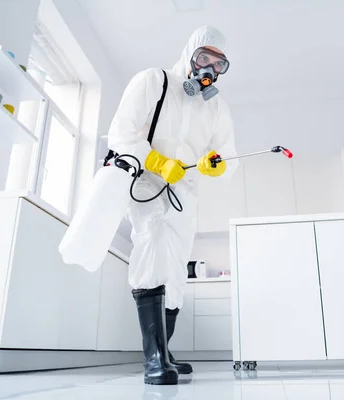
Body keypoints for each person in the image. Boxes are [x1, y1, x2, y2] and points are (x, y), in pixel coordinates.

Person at [106, 26, 238, 385]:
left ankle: (165, 352)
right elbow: (121, 133)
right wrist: (157, 162)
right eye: (203, 58)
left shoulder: (217, 108)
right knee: (150, 249)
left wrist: (218, 163)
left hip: (185, 194)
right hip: (147, 185)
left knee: (177, 269)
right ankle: (153, 359)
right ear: (189, 54)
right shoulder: (154, 81)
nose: (208, 67)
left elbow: (229, 157)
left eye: (218, 63)